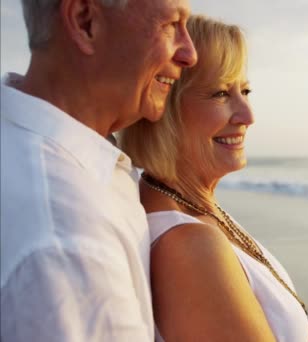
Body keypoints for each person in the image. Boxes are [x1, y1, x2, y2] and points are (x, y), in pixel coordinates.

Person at [119, 15, 308, 342]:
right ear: (165, 104)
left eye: (245, 90)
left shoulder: (196, 208)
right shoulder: (188, 244)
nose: (247, 116)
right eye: (220, 93)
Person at [0, 0, 197, 340]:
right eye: (170, 25)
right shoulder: (68, 242)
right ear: (85, 21)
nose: (189, 54)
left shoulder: (74, 163)